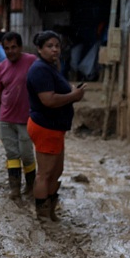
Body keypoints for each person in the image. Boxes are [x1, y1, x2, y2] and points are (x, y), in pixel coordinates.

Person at [26, 30, 85, 221]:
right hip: (46, 127)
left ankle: (50, 210)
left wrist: (72, 91)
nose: (55, 50)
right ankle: (43, 215)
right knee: (45, 173)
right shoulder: (40, 70)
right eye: (50, 46)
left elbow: (58, 89)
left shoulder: (50, 66)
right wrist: (74, 96)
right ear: (39, 49)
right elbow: (48, 100)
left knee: (56, 171)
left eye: (57, 46)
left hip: (54, 127)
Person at [0, 31, 38, 202]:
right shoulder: (1, 67)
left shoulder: (32, 61)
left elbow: (43, 80)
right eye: (6, 48)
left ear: (20, 47)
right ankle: (15, 188)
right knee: (12, 154)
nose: (10, 51)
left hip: (26, 119)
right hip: (6, 119)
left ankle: (30, 186)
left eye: (14, 47)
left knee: (27, 154)